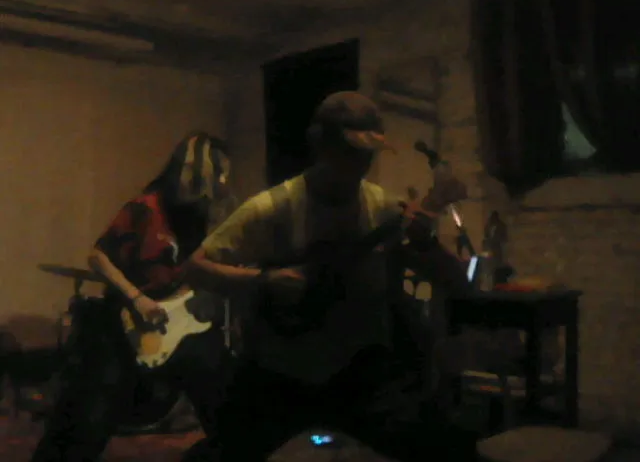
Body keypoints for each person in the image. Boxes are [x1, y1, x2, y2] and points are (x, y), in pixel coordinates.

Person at [186, 92, 479, 461]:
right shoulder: (272, 208)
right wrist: (263, 280)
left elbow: (456, 281)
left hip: (362, 376)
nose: (359, 165)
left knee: (449, 447)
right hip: (280, 371)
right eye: (349, 152)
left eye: (367, 155)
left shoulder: (385, 209)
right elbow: (195, 268)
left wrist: (425, 243)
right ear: (320, 145)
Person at [30, 132, 234, 462]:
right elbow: (98, 256)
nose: (224, 181)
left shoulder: (203, 218)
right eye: (219, 172)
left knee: (223, 401)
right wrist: (136, 298)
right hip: (125, 318)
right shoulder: (147, 207)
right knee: (90, 415)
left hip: (179, 324)